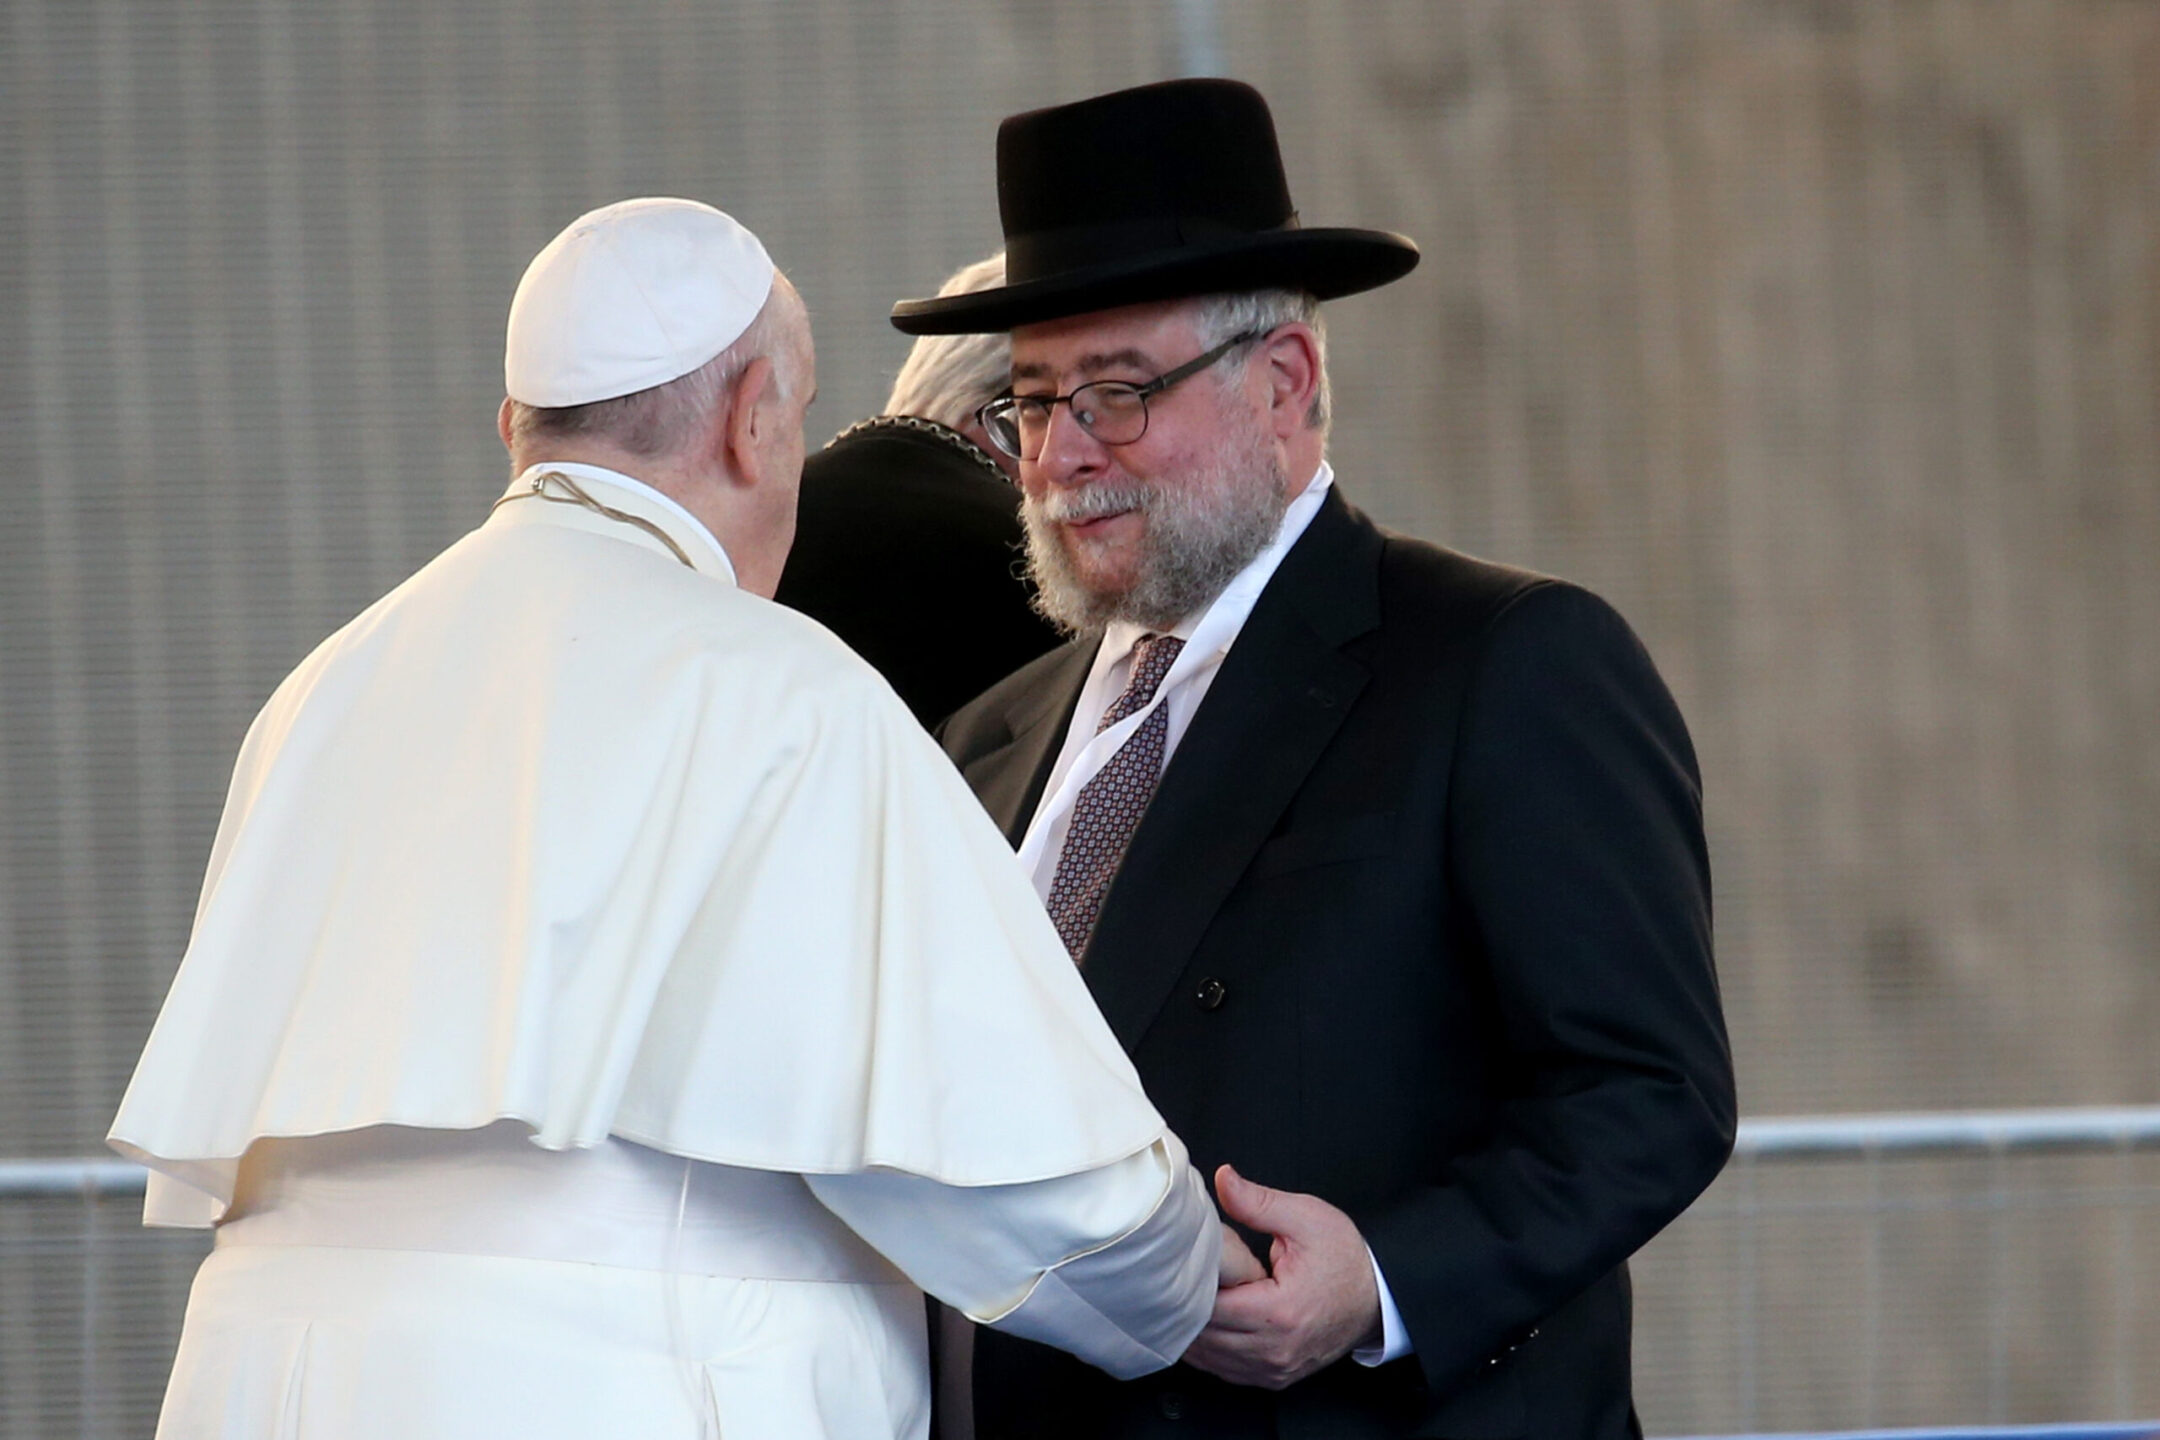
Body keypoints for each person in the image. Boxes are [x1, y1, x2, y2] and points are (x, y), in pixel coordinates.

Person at [107, 196, 1253, 1440]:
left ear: (516, 432)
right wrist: (1202, 1286)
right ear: (754, 418)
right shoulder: (780, 687)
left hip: (262, 1389)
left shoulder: (320, 689)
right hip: (621, 1387)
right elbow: (1025, 1178)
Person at [899, 80, 1738, 1438]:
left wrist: (1386, 1282)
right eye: (1034, 404)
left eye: (1116, 395)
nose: (1060, 461)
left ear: (1283, 384)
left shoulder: (1501, 661)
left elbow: (1648, 1095)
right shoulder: (988, 734)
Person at [776, 254, 1061, 726]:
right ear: (1009, 408)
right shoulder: (1032, 560)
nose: (1067, 456)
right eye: (1047, 407)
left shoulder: (765, 515)